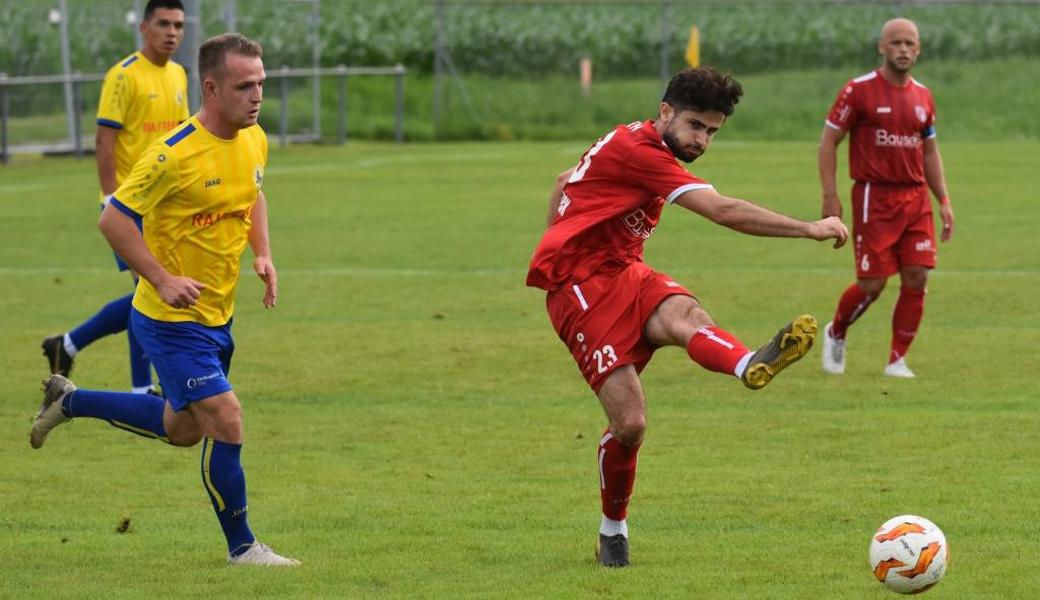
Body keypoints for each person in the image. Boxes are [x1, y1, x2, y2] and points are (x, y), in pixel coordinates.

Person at [526, 66, 849, 567]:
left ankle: (748, 364)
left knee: (684, 314)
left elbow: (564, 179)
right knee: (630, 425)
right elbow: (722, 211)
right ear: (666, 112)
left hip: (624, 271)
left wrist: (561, 229)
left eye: (713, 131)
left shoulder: (632, 138)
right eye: (696, 126)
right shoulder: (640, 151)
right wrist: (808, 228)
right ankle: (613, 529)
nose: (702, 140)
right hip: (580, 290)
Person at [30, 33, 298, 567]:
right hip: (169, 320)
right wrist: (159, 277)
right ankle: (243, 547)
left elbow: (254, 192)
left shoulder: (254, 139)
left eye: (262, 83)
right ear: (211, 88)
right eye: (245, 85)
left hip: (217, 314)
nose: (257, 95)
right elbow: (114, 219)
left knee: (181, 431)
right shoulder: (171, 154)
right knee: (227, 419)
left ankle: (70, 400)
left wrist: (262, 254)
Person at [41, 0, 189, 395]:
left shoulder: (178, 74)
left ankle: (67, 344)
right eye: (163, 23)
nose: (171, 32)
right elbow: (105, 141)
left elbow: (181, 140)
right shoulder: (123, 76)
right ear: (144, 28)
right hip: (129, 204)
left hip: (164, 206)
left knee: (151, 291)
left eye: (178, 24)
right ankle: (142, 390)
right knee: (148, 292)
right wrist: (110, 198)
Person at [818, 18, 955, 378]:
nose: (903, 49)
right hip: (873, 198)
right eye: (896, 43)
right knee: (872, 285)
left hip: (916, 199)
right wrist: (830, 195)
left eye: (910, 43)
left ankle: (897, 359)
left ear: (919, 49)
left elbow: (929, 152)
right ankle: (836, 332)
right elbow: (829, 141)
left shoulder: (923, 95)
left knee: (917, 276)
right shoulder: (858, 91)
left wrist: (943, 200)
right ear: (882, 47)